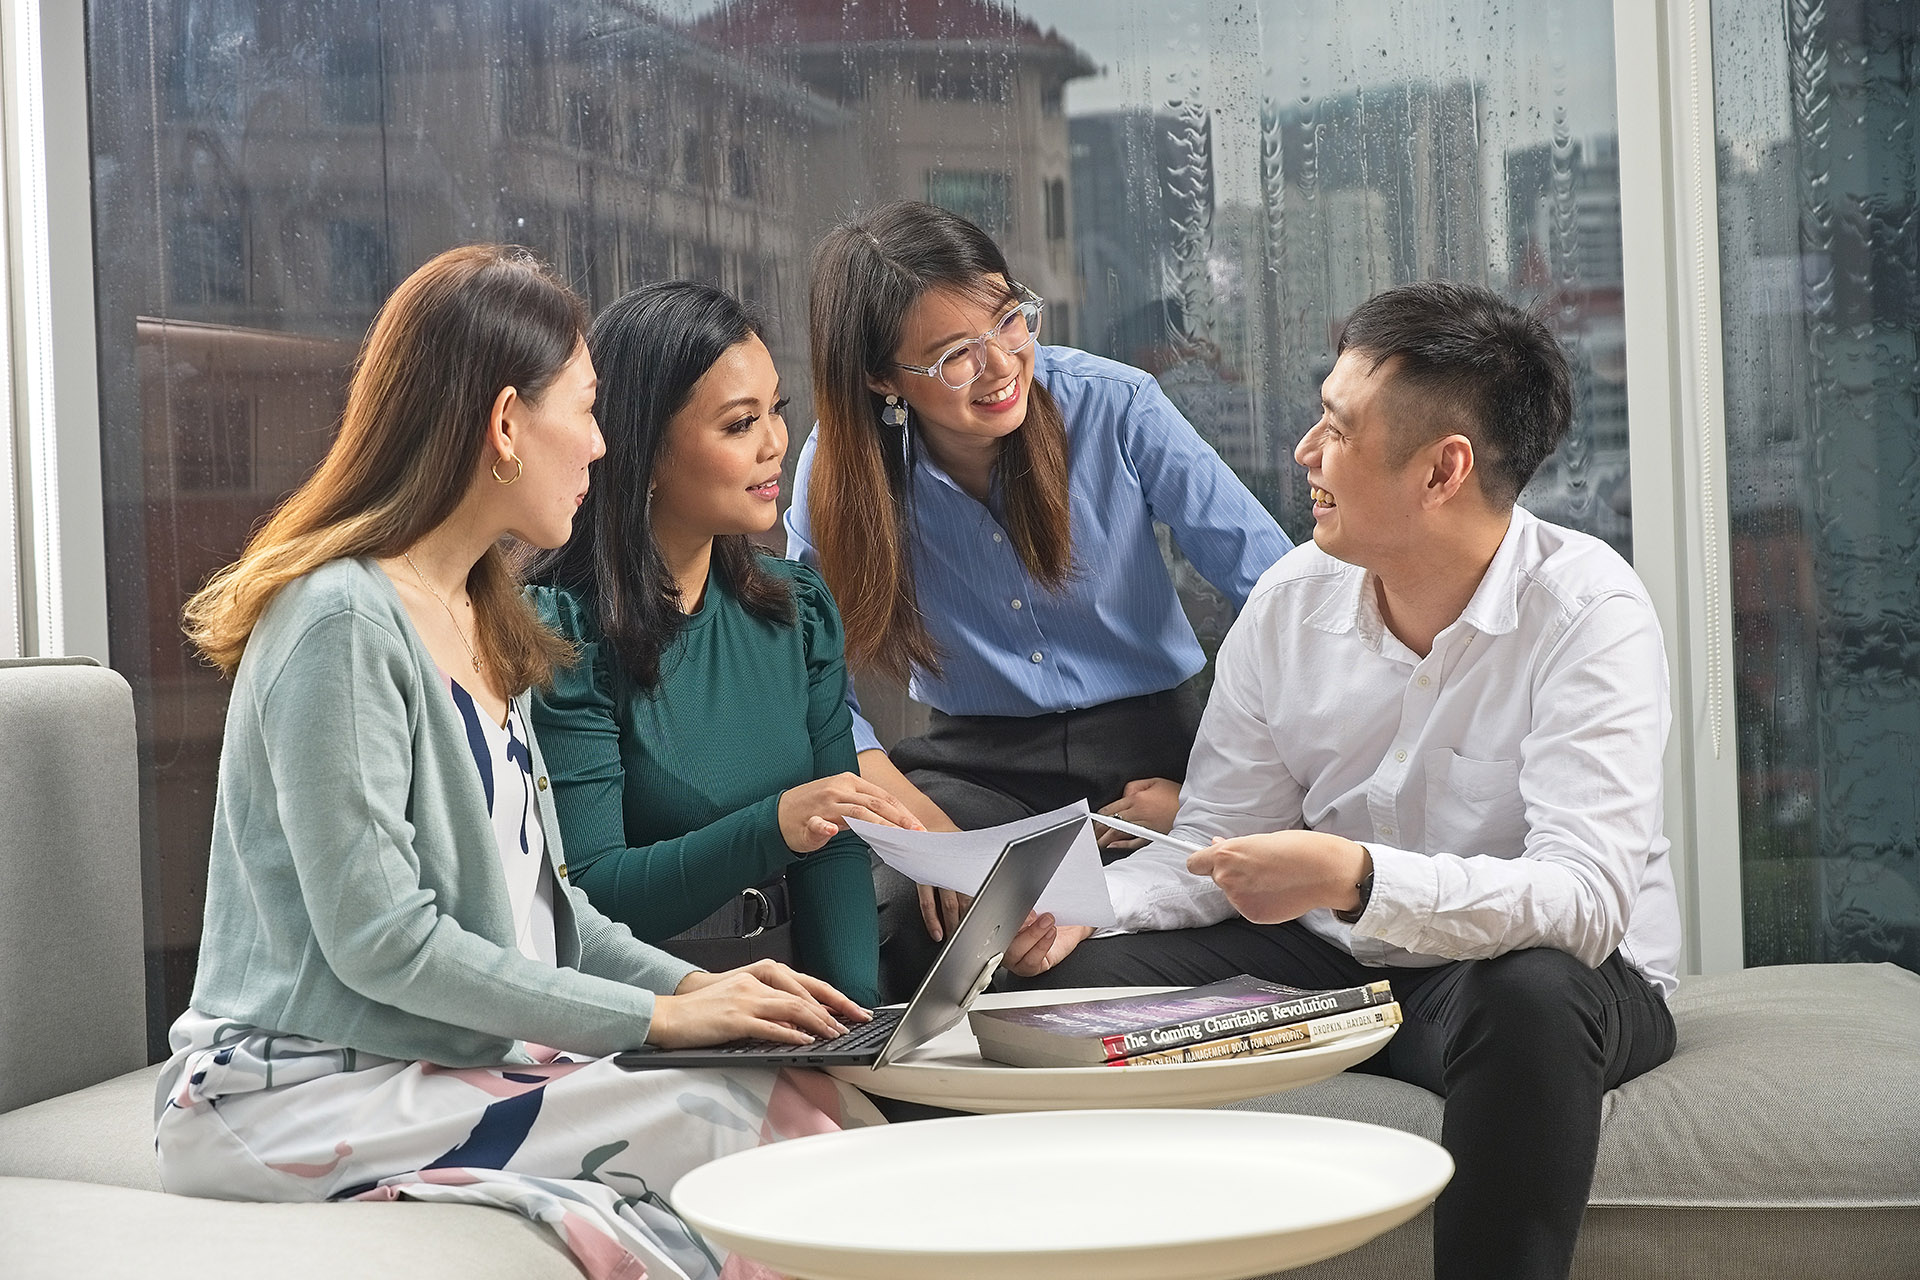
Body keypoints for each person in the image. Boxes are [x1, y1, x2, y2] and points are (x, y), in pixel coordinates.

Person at [164, 245, 884, 1280]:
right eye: (586, 412)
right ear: (506, 424)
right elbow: (384, 942)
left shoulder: (484, 615)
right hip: (300, 1086)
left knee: (807, 1094)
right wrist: (660, 1017)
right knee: (747, 1134)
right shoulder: (339, 621)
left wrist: (709, 994)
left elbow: (552, 911)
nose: (601, 448)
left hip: (431, 1058)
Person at [1004, 280, 1682, 1280]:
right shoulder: (1289, 601)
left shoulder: (1588, 615)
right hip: (1337, 960)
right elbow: (1213, 848)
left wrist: (1357, 875)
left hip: (1534, 977)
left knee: (1530, 994)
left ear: (1442, 470)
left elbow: (1583, 900)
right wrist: (1084, 907)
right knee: (1044, 980)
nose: (1304, 454)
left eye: (1336, 426)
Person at [787, 200, 1293, 998]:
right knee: (915, 937)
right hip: (978, 774)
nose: (1000, 365)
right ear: (882, 379)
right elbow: (809, 690)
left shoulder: (1117, 405)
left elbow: (1284, 602)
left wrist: (1206, 799)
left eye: (1009, 320)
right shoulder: (839, 472)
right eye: (955, 354)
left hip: (1152, 760)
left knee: (1123, 946)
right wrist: (940, 843)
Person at [527, 282, 922, 1010]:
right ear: (645, 446)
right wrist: (774, 827)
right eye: (741, 424)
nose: (776, 443)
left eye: (777, 411)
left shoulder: (796, 610)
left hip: (794, 994)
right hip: (657, 1006)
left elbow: (834, 848)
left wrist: (853, 1028)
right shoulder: (563, 633)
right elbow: (589, 896)